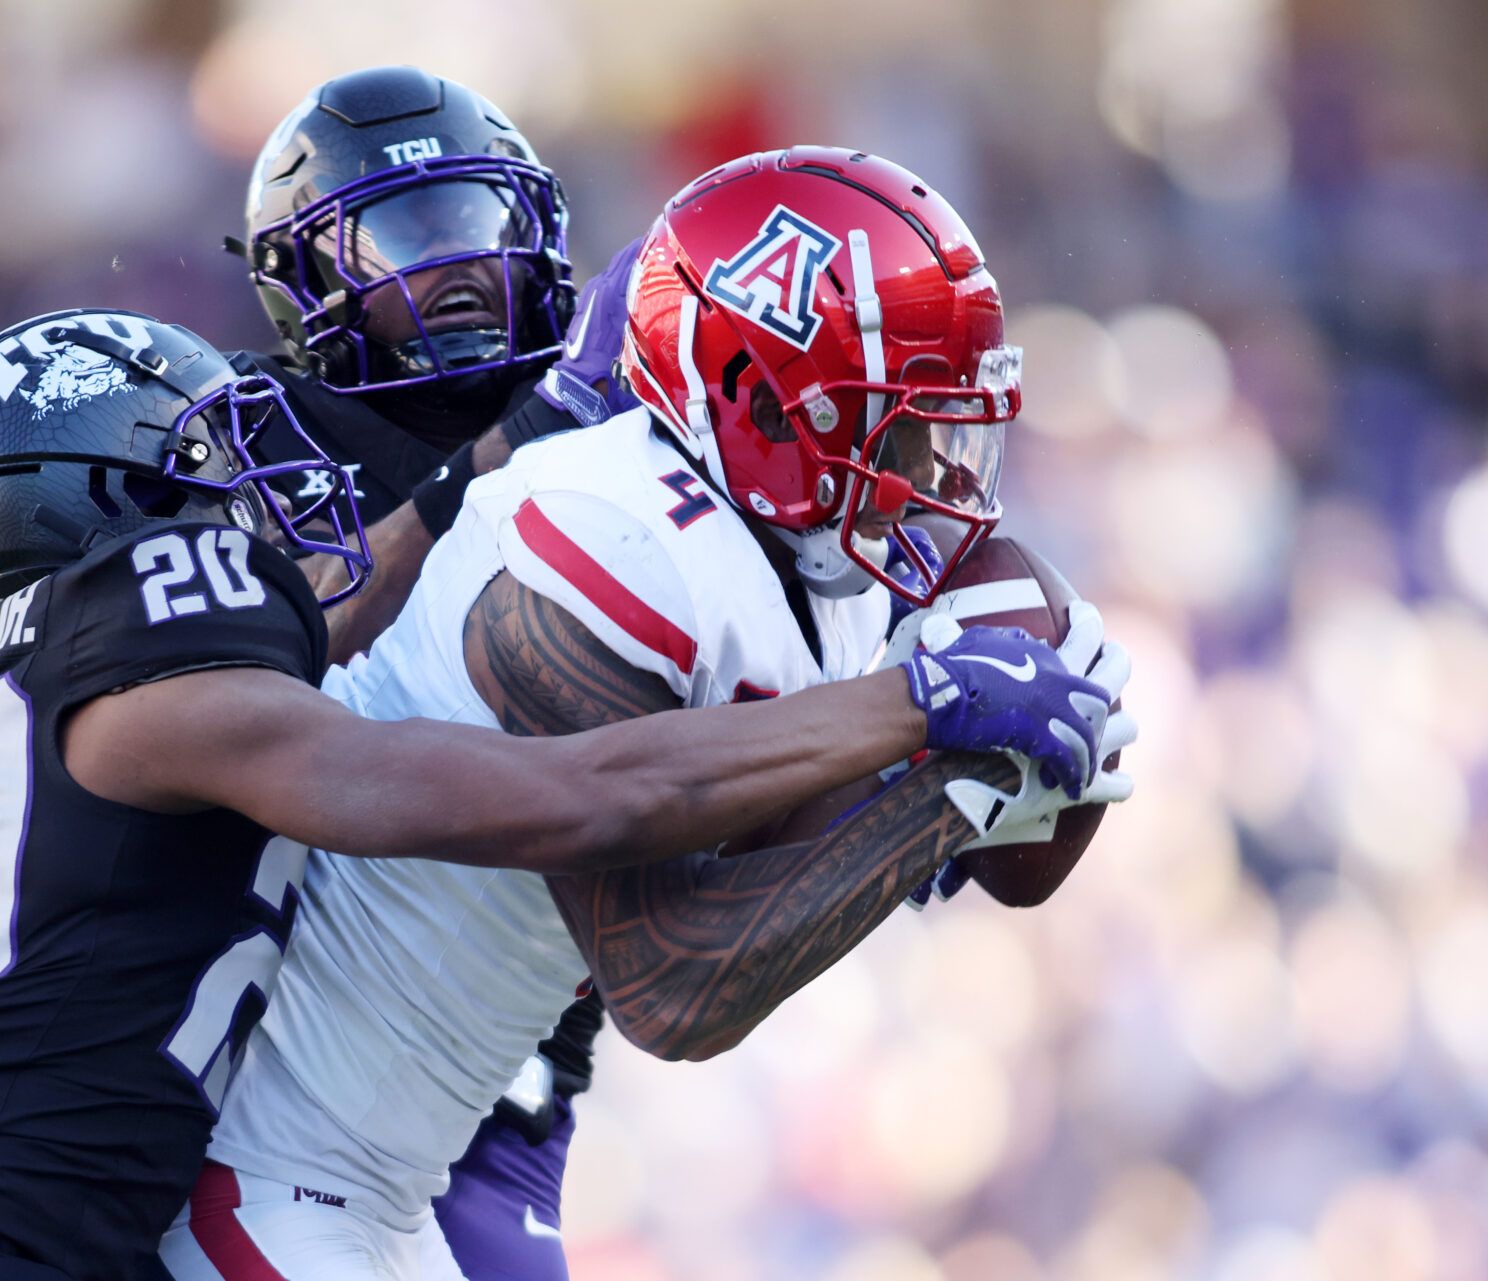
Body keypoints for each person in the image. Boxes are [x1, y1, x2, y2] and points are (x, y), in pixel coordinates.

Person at [0, 308, 1105, 1281]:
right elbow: (572, 804)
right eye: (210, 457)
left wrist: (514, 436)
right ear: (113, 515)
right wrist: (900, 707)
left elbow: (328, 617)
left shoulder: (63, 682)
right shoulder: (160, 685)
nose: (268, 482)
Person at [167, 149, 1135, 1280]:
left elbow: (832, 855)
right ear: (767, 407)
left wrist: (1030, 779)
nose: (938, 468)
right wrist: (955, 778)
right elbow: (674, 985)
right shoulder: (598, 539)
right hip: (272, 1168)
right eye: (901, 424)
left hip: (388, 1182)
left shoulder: (806, 556)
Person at [227, 65, 642, 1281]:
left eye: (481, 224)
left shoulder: (615, 426)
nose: (456, 266)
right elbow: (277, 648)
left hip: (509, 1054)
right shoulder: (249, 443)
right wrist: (503, 456)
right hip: (297, 1040)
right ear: (307, 281)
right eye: (406, 233)